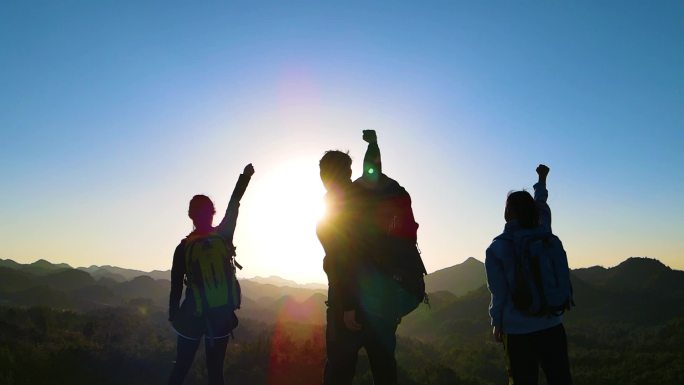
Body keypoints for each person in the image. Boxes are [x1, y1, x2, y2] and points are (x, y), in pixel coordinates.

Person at [318, 131, 422, 385]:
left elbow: (342, 262)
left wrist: (349, 306)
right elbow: (373, 170)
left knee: (339, 372)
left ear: (325, 176)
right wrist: (373, 145)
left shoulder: (337, 207)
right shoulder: (367, 195)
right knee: (384, 367)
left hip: (350, 307)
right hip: (382, 301)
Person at [485, 164, 573, 385]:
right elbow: (541, 203)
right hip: (552, 323)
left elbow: (499, 293)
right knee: (560, 378)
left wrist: (497, 323)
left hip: (518, 331)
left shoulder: (498, 248)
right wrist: (542, 178)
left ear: (507, 213)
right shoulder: (543, 231)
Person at [167, 163, 255, 385]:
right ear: (213, 212)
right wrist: (245, 177)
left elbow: (176, 284)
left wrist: (173, 315)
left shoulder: (184, 247)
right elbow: (234, 205)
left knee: (180, 371)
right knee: (216, 374)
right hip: (221, 314)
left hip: (191, 315)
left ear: (191, 216)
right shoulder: (223, 235)